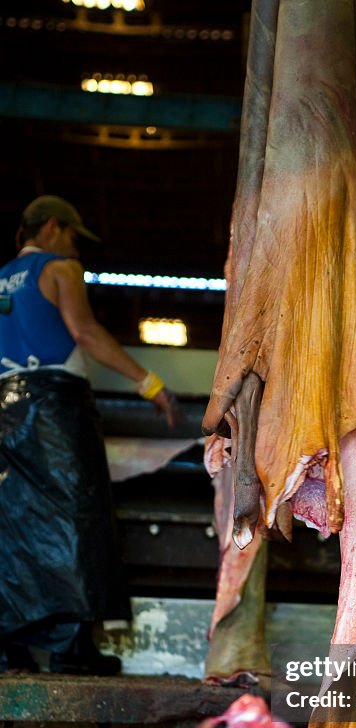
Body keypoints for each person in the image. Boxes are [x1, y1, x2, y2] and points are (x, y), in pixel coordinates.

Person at [0, 195, 178, 675]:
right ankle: (72, 648)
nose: (77, 248)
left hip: (6, 407)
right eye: (75, 237)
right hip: (56, 404)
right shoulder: (61, 269)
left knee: (15, 522)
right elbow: (85, 332)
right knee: (77, 515)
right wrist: (151, 384)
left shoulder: (0, 278)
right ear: (55, 227)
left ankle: (10, 646)